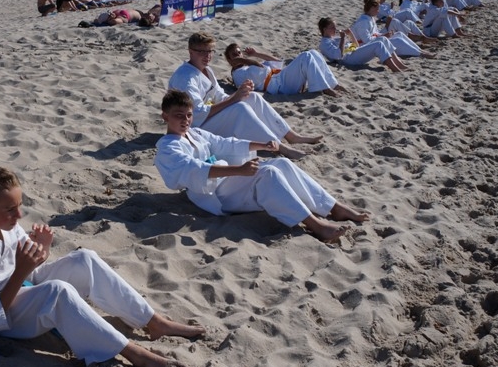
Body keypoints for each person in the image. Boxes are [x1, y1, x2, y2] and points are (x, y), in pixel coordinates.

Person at [0, 166, 205, 367]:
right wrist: (21, 272)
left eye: (19, 205)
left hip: (21, 286)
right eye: (10, 210)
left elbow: (30, 267)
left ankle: (153, 322)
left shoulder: (1, 221)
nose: (19, 215)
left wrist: (41, 251)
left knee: (84, 259)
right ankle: (136, 354)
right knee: (57, 291)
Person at [155, 90, 370, 242]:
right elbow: (194, 170)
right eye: (179, 116)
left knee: (282, 163)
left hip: (225, 181)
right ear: (165, 116)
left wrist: (262, 144)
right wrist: (239, 170)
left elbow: (224, 143)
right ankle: (316, 225)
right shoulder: (167, 147)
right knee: (267, 174)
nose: (185, 120)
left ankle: (333, 207)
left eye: (189, 115)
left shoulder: (195, 133)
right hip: (210, 194)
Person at [168, 32, 321, 160]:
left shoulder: (206, 70)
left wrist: (240, 93)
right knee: (239, 109)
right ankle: (280, 148)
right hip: (194, 128)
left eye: (210, 51)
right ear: (191, 51)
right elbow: (197, 114)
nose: (207, 56)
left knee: (253, 97)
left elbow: (220, 96)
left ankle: (291, 136)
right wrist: (235, 99)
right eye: (201, 51)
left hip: (209, 118)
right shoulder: (186, 78)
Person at [224, 43, 343, 97]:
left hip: (281, 78)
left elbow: (276, 61)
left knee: (313, 52)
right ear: (229, 60)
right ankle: (325, 88)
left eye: (239, 53)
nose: (238, 56)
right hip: (279, 86)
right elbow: (261, 70)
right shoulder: (238, 75)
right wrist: (244, 60)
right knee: (305, 56)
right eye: (234, 55)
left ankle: (333, 84)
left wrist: (256, 54)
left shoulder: (247, 65)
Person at [351, 0, 435, 58]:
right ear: (371, 8)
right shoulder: (363, 22)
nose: (378, 11)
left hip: (376, 40)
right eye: (377, 9)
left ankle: (420, 51)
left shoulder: (370, 18)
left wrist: (385, 34)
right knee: (397, 41)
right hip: (364, 46)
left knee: (399, 34)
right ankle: (420, 54)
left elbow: (375, 33)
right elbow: (367, 41)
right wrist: (384, 36)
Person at [318, 17, 407, 72]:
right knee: (378, 45)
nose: (335, 29)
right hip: (348, 60)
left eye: (335, 27)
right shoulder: (324, 43)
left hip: (353, 53)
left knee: (382, 39)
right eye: (332, 27)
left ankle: (399, 64)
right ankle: (395, 69)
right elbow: (338, 56)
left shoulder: (334, 38)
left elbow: (355, 46)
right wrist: (343, 39)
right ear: (324, 29)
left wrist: (350, 34)